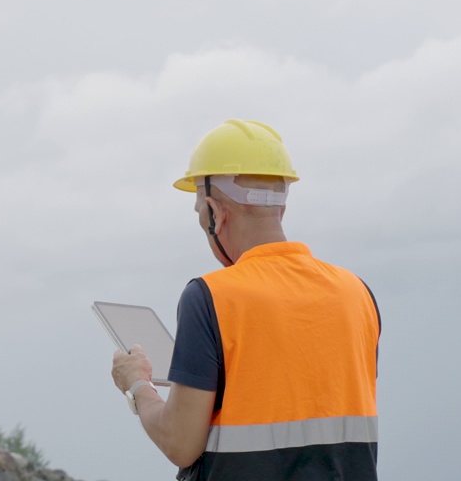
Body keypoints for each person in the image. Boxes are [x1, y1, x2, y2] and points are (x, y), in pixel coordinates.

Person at [110, 119, 380, 480]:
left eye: (199, 213)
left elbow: (180, 442)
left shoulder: (208, 297)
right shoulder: (356, 293)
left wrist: (138, 385)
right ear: (281, 208)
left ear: (215, 214)